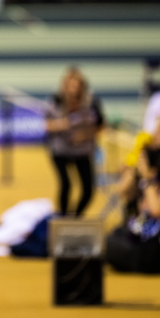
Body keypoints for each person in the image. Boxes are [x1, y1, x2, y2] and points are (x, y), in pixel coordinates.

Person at [45, 67, 103, 217]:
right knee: (66, 184)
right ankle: (63, 217)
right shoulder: (55, 101)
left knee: (88, 189)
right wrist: (64, 123)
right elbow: (47, 124)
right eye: (71, 85)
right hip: (61, 151)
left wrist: (84, 135)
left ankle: (76, 216)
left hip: (83, 151)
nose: (74, 89)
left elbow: (101, 126)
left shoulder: (92, 103)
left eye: (78, 86)